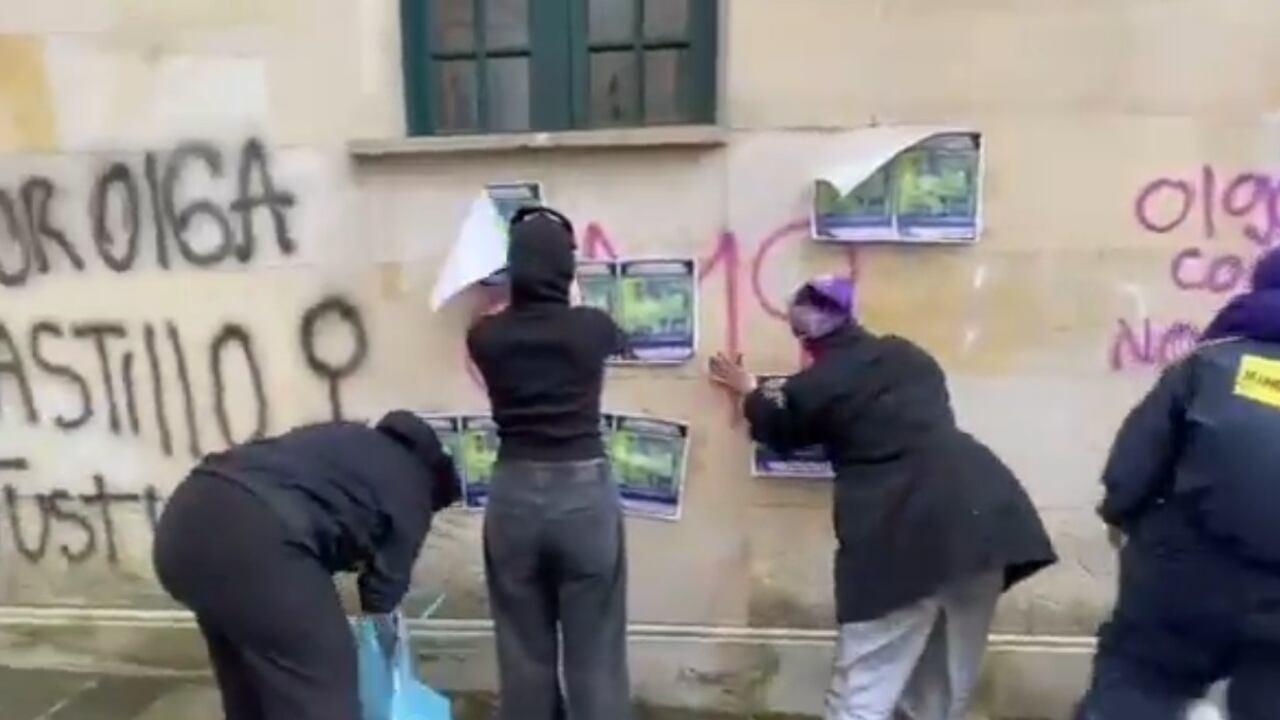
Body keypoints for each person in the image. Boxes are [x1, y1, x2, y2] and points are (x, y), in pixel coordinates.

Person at [709, 275, 1056, 720]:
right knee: (942, 689)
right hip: (983, 520)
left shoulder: (817, 384)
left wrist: (751, 392)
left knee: (864, 687)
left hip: (900, 532)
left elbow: (781, 428)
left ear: (805, 337)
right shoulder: (909, 356)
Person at [1075, 249, 1280, 720]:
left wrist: (1124, 523)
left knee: (1139, 683)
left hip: (1185, 580)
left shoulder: (1208, 366)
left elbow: (1131, 471)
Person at [152, 411, 461, 720]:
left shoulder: (342, 438)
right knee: (322, 681)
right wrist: (381, 645)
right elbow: (383, 591)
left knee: (249, 686)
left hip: (182, 525)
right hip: (257, 540)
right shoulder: (412, 482)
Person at [467, 206, 630, 720]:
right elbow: (617, 339)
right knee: (596, 653)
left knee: (522, 650)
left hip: (513, 491)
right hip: (583, 493)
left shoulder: (484, 337)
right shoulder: (591, 329)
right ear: (567, 269)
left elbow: (506, 319)